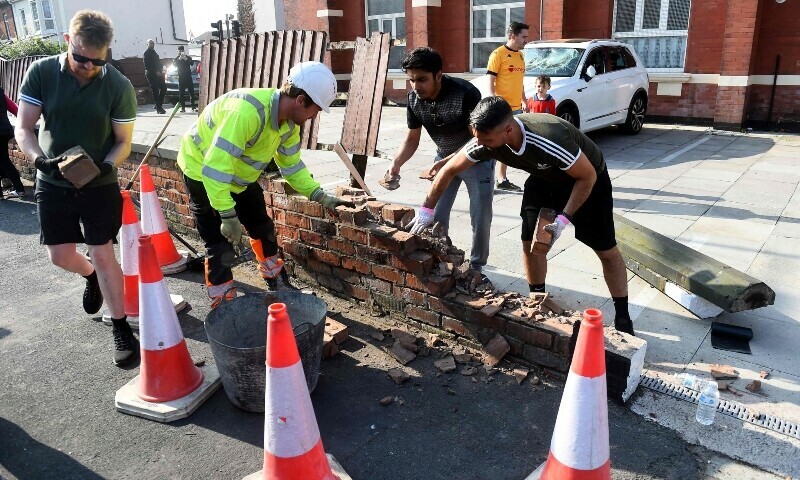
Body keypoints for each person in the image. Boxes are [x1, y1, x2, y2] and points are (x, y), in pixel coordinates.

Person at [409, 97, 635, 335]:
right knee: (530, 243)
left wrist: (564, 219)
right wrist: (426, 211)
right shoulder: (485, 139)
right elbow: (449, 169)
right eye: (477, 137)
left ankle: (623, 317)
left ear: (508, 130)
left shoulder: (549, 140)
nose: (480, 144)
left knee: (606, 251)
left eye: (486, 140)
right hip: (544, 175)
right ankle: (538, 302)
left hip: (587, 179)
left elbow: (587, 176)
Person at [15, 9, 140, 364]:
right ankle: (90, 276)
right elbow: (24, 127)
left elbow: (123, 142)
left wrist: (105, 165)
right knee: (60, 256)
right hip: (52, 179)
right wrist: (38, 160)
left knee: (103, 252)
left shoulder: (118, 85)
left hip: (98, 183)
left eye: (96, 62)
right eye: (81, 58)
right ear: (68, 42)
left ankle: (120, 326)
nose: (87, 67)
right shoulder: (41, 72)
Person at [177, 61, 355, 307]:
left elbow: (291, 166)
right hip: (201, 171)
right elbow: (215, 170)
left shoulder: (289, 125)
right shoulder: (247, 113)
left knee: (262, 228)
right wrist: (228, 216)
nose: (315, 116)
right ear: (301, 100)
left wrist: (318, 194)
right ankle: (225, 304)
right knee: (220, 246)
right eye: (316, 109)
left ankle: (277, 283)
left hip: (239, 178)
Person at [386, 47, 494, 273]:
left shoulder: (465, 93)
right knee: (435, 216)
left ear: (438, 75)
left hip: (477, 159)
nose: (416, 86)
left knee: (480, 217)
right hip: (443, 159)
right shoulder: (414, 99)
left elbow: (479, 139)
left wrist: (446, 161)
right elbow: (412, 138)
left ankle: (476, 268)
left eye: (422, 79)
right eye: (412, 80)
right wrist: (396, 163)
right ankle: (440, 258)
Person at [486, 21, 529, 192]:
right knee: (494, 143)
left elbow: (520, 82)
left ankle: (502, 179)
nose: (526, 40)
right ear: (513, 36)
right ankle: (487, 179)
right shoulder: (498, 54)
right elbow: (490, 79)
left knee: (509, 144)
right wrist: (492, 99)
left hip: (516, 108)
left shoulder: (520, 56)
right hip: (501, 109)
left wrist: (524, 100)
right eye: (524, 37)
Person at [0, 85, 24, 199]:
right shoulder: (1, 94)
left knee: (4, 160)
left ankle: (19, 189)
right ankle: (9, 183)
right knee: (3, 159)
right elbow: (16, 110)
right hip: (4, 131)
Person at [143, 39, 166, 114]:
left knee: (164, 88)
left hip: (158, 73)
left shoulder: (154, 52)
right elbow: (147, 65)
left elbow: (158, 62)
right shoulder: (146, 53)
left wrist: (162, 68)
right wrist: (156, 71)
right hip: (151, 74)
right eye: (150, 43)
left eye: (153, 43)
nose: (152, 44)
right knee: (155, 90)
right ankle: (159, 109)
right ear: (147, 44)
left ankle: (158, 104)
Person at [173, 45, 195, 112]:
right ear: (178, 51)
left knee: (191, 92)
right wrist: (179, 59)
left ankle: (193, 107)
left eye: (182, 51)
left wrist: (186, 59)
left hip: (188, 77)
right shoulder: (176, 58)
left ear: (184, 51)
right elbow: (174, 65)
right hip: (181, 77)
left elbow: (192, 63)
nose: (181, 52)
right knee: (181, 93)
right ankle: (183, 108)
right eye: (180, 51)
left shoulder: (187, 57)